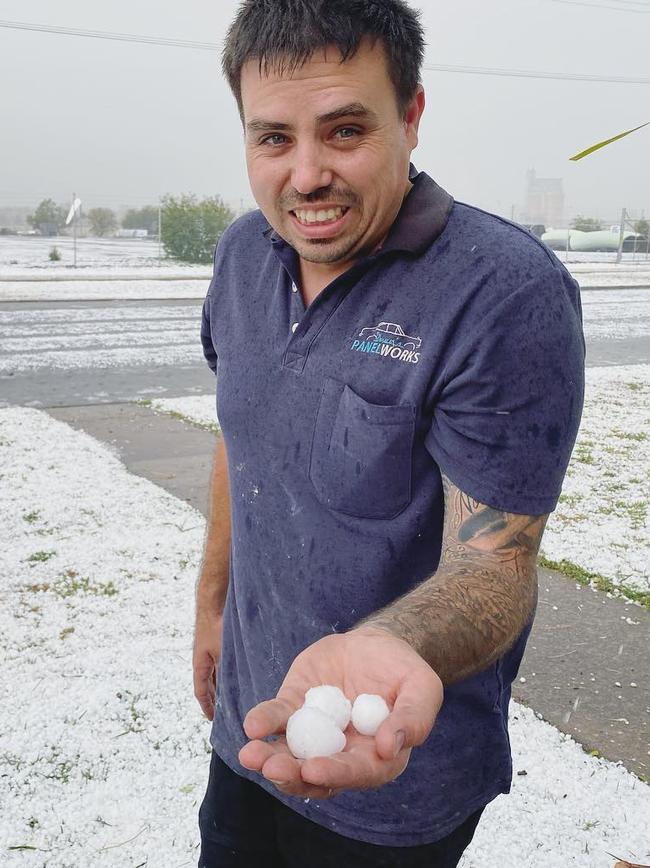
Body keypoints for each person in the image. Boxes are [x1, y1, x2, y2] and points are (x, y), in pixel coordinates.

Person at [194, 1, 585, 865]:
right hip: (249, 729)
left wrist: (387, 644)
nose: (305, 176)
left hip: (397, 773)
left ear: (410, 116)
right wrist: (213, 605)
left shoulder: (502, 294)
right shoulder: (240, 258)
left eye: (343, 131)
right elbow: (240, 435)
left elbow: (498, 559)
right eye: (272, 139)